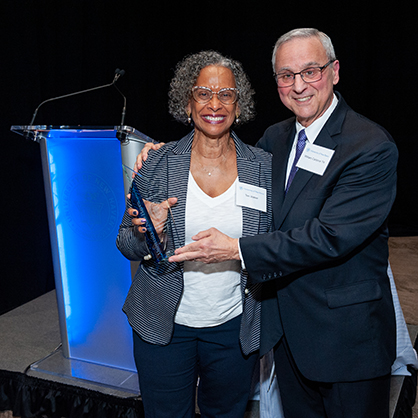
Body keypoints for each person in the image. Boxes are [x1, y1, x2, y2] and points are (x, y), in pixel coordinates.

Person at [166, 28, 400, 417]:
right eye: (286, 75)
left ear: (335, 71)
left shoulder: (370, 146)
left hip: (346, 339)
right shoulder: (275, 139)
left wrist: (236, 249)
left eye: (311, 71)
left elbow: (329, 236)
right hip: (289, 334)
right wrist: (164, 154)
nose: (299, 85)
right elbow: (229, 168)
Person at [116, 50, 273, 418]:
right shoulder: (156, 162)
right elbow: (125, 243)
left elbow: (275, 244)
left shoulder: (263, 168)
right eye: (203, 93)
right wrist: (147, 233)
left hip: (234, 328)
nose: (214, 103)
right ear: (187, 102)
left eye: (225, 94)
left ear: (239, 104)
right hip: (164, 327)